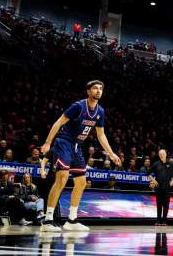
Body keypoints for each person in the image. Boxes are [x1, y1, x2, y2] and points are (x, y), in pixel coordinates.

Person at [40, 80, 121, 232]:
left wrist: (111, 153)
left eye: (101, 89)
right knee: (62, 178)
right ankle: (48, 221)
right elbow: (59, 122)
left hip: (77, 146)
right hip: (64, 142)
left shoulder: (100, 112)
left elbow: (101, 135)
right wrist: (47, 142)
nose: (98, 91)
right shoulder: (78, 106)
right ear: (88, 91)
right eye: (95, 88)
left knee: (81, 182)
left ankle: (71, 220)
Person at [148, 149, 173, 226]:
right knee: (159, 205)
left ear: (166, 154)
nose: (162, 155)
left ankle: (164, 221)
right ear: (159, 155)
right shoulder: (156, 164)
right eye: (160, 154)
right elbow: (148, 173)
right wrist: (153, 181)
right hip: (158, 188)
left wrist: (172, 181)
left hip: (167, 188)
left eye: (163, 154)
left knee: (166, 205)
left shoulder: (171, 164)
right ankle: (158, 221)